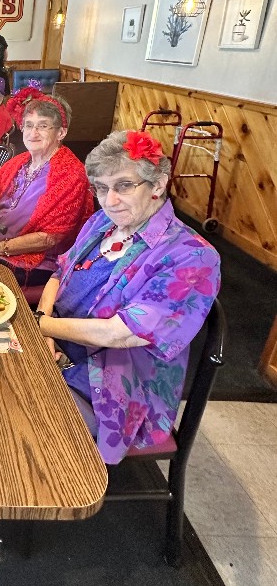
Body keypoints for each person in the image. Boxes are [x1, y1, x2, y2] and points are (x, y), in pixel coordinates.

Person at [34, 130, 221, 463]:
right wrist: (43, 319)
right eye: (102, 188)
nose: (110, 200)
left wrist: (41, 328)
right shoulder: (101, 222)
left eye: (123, 185)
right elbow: (60, 271)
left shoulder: (192, 256)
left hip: (112, 384)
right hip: (53, 341)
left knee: (10, 413)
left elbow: (120, 334)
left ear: (158, 184)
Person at [0, 92, 92, 286]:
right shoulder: (23, 161)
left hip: (31, 262)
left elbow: (49, 238)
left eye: (43, 126)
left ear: (61, 133)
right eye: (29, 125)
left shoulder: (71, 174)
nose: (33, 133)